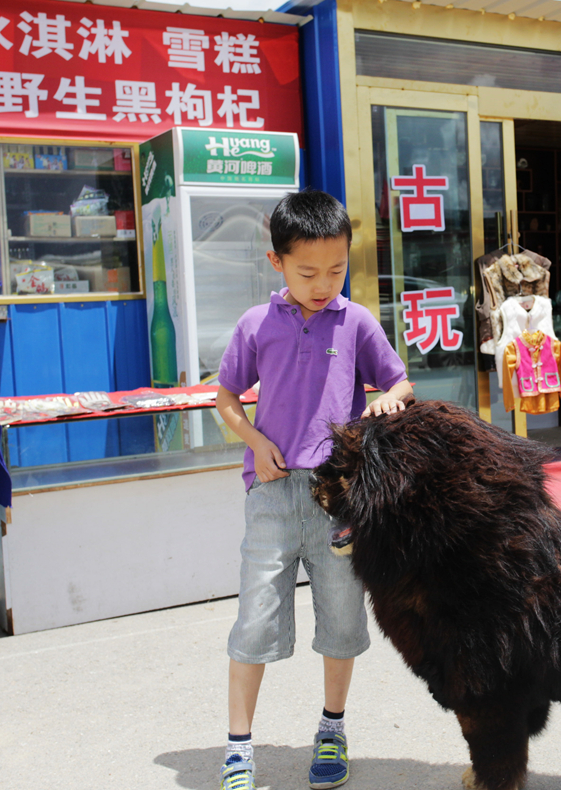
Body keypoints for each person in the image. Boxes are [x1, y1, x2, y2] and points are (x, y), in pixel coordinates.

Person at [214, 189, 412, 790]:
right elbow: (224, 397)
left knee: (343, 620)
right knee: (253, 622)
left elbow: (400, 382)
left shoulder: (357, 322)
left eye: (336, 269)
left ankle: (332, 728)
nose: (324, 283)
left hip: (340, 499)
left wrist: (386, 398)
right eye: (307, 272)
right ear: (277, 263)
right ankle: (239, 748)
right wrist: (253, 439)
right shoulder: (256, 324)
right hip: (271, 495)